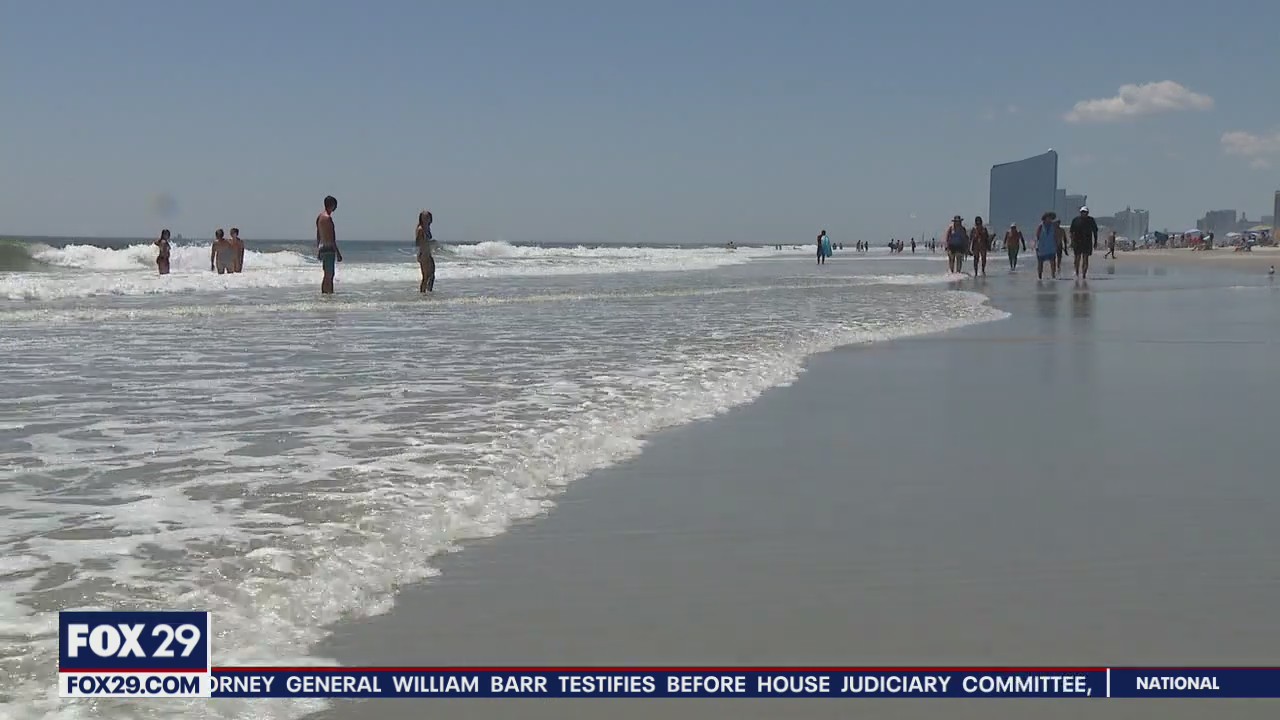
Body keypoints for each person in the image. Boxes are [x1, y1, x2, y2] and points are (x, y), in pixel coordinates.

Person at [316, 195, 342, 294]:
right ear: (332, 205)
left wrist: (318, 249)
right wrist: (338, 253)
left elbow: (318, 234)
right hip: (329, 249)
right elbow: (332, 238)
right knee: (330, 275)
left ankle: (324, 295)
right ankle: (329, 295)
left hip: (322, 248)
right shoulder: (328, 219)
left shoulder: (319, 217)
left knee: (326, 274)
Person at [1069, 206, 1099, 279]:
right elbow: (1071, 231)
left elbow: (1095, 231)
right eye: (1082, 212)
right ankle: (1076, 272)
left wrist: (1095, 242)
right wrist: (1072, 242)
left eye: (1085, 212)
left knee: (1085, 258)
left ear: (1087, 213)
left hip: (1087, 242)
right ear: (1080, 212)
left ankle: (1084, 274)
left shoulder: (1091, 220)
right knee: (1077, 258)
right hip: (1077, 242)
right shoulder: (1075, 220)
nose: (1084, 213)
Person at [416, 210, 436, 293]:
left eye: (427, 217)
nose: (426, 219)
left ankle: (428, 291)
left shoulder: (427, 228)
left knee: (432, 275)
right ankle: (422, 293)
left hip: (428, 253)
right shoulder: (420, 229)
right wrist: (430, 242)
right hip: (423, 254)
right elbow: (418, 242)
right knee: (425, 277)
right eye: (424, 217)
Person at [1034, 212, 1058, 280]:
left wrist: (1056, 245)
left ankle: (1053, 276)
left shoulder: (1053, 226)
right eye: (1048, 217)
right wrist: (1036, 246)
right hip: (1042, 247)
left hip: (1051, 247)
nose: (1049, 219)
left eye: (1051, 218)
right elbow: (1037, 236)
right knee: (1040, 263)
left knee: (1053, 262)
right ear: (1045, 218)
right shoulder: (1041, 226)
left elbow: (1055, 236)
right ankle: (1040, 277)